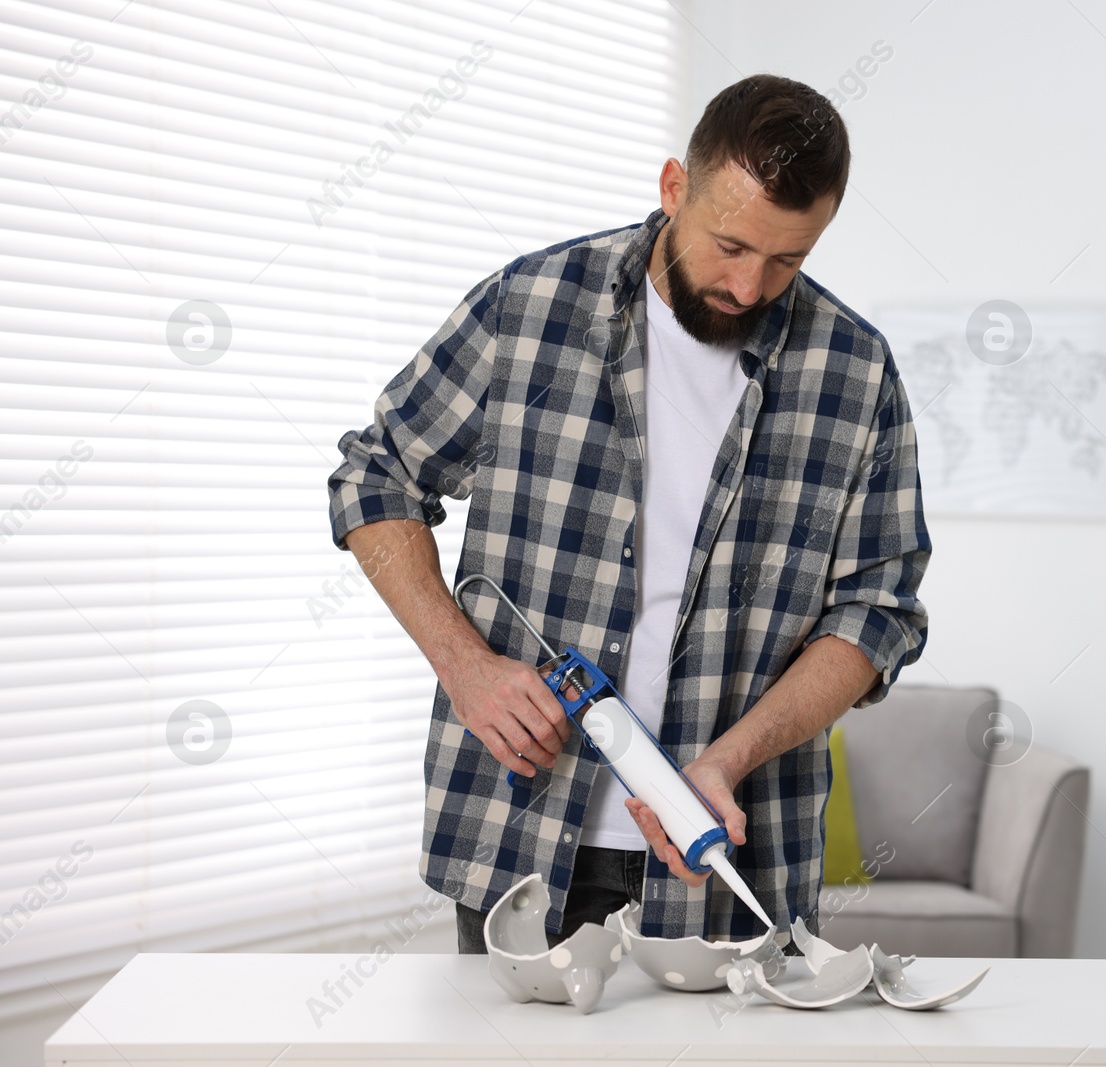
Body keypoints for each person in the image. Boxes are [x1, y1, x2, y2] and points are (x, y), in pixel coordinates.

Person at [326, 73, 930, 953]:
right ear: (674, 187)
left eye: (787, 259)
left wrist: (728, 759)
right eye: (729, 244)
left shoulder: (857, 372)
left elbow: (877, 614)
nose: (750, 285)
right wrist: (465, 666)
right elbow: (375, 477)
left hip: (729, 858)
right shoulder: (530, 308)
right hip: (518, 839)